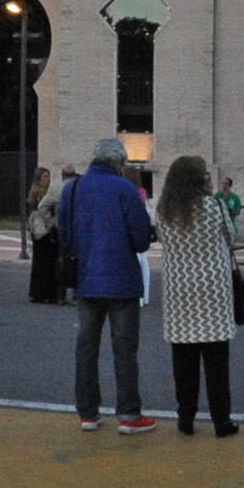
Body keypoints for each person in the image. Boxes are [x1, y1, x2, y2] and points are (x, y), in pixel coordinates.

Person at [59, 138, 157, 433]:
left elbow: (65, 237)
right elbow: (141, 239)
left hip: (86, 280)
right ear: (118, 163)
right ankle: (129, 414)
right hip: (122, 281)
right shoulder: (126, 190)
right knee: (125, 350)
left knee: (86, 347)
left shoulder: (73, 190)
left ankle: (87, 412)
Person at [155, 154, 241, 438]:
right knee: (217, 364)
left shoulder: (164, 210)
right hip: (213, 290)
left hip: (180, 292)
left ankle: (186, 419)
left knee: (184, 364)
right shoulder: (214, 205)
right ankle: (221, 421)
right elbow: (231, 237)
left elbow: (163, 240)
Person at [27, 167, 61, 304]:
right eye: (45, 177)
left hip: (42, 229)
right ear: (39, 179)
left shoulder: (46, 192)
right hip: (43, 228)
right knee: (44, 261)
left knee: (45, 261)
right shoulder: (38, 193)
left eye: (49, 176)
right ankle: (43, 292)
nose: (48, 179)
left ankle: (41, 292)